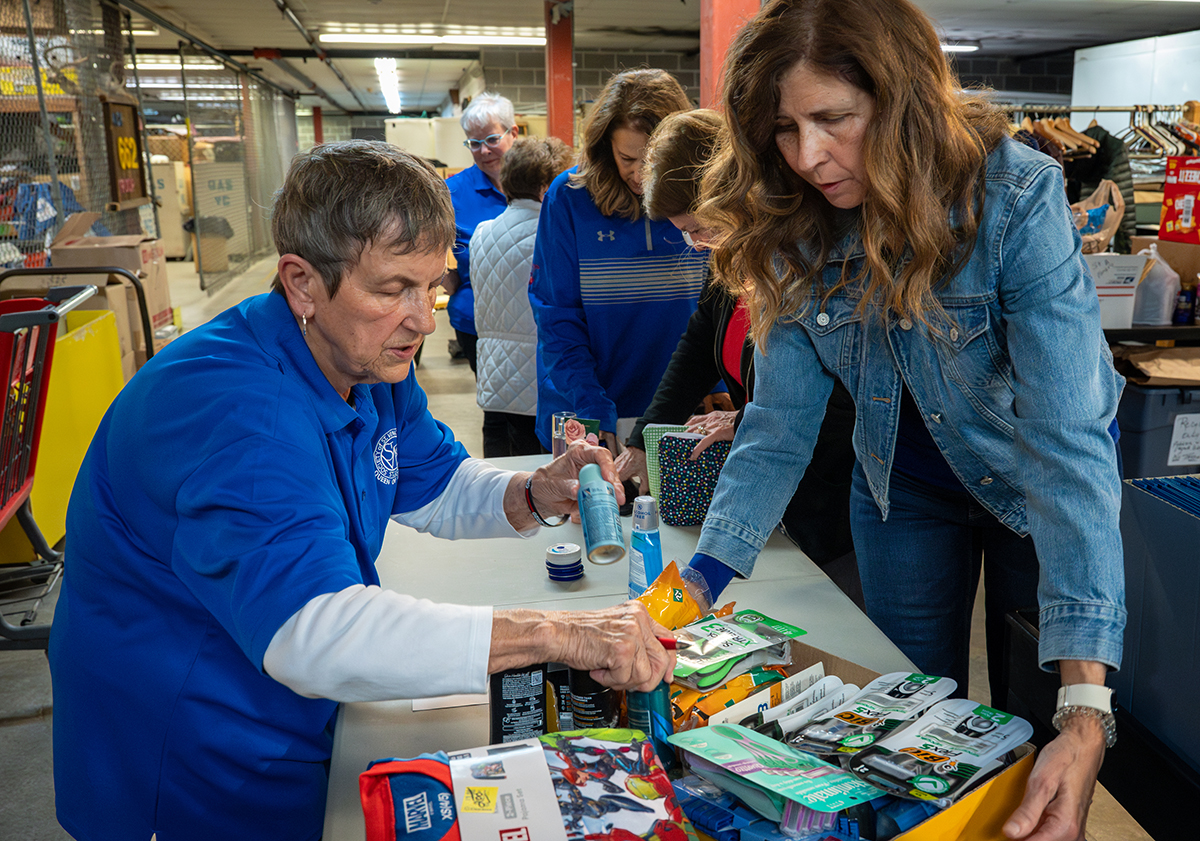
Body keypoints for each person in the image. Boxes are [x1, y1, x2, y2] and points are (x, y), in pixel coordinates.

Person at [48, 141, 674, 841]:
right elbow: (315, 630)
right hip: (191, 741)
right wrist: (555, 631)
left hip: (287, 709)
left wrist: (532, 491)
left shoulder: (362, 356)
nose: (425, 319)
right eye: (392, 289)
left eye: (432, 286)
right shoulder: (240, 413)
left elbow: (431, 480)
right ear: (303, 283)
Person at [684, 2, 1126, 839]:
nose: (809, 156)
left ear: (902, 102)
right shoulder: (794, 226)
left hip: (1038, 490)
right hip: (901, 489)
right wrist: (692, 592)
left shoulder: (1015, 198)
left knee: (1045, 746)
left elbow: (1068, 448)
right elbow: (777, 427)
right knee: (897, 746)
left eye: (834, 120)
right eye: (784, 128)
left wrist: (1086, 711)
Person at [613, 109, 862, 607]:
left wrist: (747, 418)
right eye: (686, 234)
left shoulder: (811, 259)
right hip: (778, 495)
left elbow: (837, 401)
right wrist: (643, 440)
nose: (697, 244)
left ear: (735, 195)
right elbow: (698, 346)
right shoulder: (732, 257)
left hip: (843, 495)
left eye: (701, 228)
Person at [529, 68, 709, 454]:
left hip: (684, 411)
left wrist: (720, 387)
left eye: (653, 161)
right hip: (592, 411)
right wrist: (590, 405)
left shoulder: (704, 202)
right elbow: (556, 316)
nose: (641, 175)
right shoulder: (568, 198)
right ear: (604, 147)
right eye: (627, 158)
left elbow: (721, 313)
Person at [472, 135, 575, 457]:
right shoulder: (551, 236)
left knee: (499, 479)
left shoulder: (482, 232)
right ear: (548, 185)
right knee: (539, 481)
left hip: (493, 379)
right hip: (536, 384)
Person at [443, 92, 518, 373]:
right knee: (496, 411)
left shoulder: (542, 185)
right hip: (477, 321)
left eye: (492, 140)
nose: (484, 151)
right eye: (474, 143)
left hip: (533, 321)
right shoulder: (453, 193)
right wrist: (446, 278)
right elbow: (423, 246)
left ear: (513, 133)